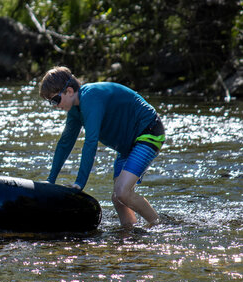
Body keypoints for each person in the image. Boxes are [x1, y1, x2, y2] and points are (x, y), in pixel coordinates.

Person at [39, 66, 165, 229]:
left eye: (55, 100)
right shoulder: (75, 111)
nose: (54, 106)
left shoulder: (91, 97)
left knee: (122, 191)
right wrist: (50, 180)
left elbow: (90, 142)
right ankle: (129, 235)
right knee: (118, 198)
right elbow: (65, 144)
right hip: (127, 146)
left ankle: (159, 227)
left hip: (149, 131)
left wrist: (79, 184)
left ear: (69, 91)